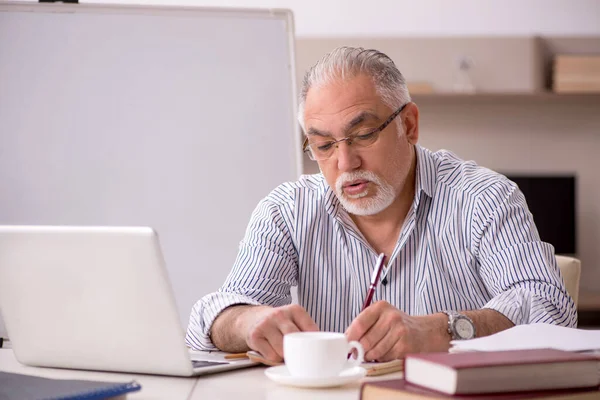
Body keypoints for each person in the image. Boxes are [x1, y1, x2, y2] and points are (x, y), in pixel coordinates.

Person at [185, 47, 577, 363]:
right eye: (323, 146)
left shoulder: (483, 198)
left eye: (363, 134)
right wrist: (248, 321)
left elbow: (550, 311)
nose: (345, 163)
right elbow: (211, 316)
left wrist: (443, 331)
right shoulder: (286, 211)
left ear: (409, 125)